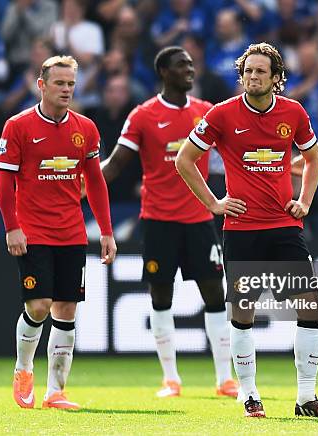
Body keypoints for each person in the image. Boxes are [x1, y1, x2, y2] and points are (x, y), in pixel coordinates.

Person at [176, 42, 318, 418]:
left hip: (284, 225)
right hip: (242, 228)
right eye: (247, 71)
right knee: (244, 311)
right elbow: (185, 159)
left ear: (277, 78)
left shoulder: (293, 112)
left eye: (260, 71)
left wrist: (305, 202)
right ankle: (249, 395)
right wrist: (214, 204)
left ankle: (306, 398)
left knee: (310, 305)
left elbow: (314, 159)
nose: (252, 77)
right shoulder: (221, 115)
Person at [100, 46, 238, 398]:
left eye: (192, 64)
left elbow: (238, 151)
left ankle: (225, 379)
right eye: (181, 65)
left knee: (215, 296)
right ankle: (171, 379)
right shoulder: (143, 115)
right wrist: (82, 183)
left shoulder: (206, 112)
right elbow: (115, 164)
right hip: (159, 221)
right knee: (161, 296)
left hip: (199, 220)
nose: (190, 70)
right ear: (163, 71)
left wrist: (287, 164)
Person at [0, 55, 116, 410]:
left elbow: (95, 182)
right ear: (42, 85)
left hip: (72, 233)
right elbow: (4, 183)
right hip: (32, 232)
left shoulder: (86, 128)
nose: (66, 89)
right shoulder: (17, 126)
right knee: (39, 304)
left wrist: (106, 232)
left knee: (66, 309)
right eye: (60, 83)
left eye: (71, 84)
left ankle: (55, 392)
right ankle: (23, 369)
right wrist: (12, 227)